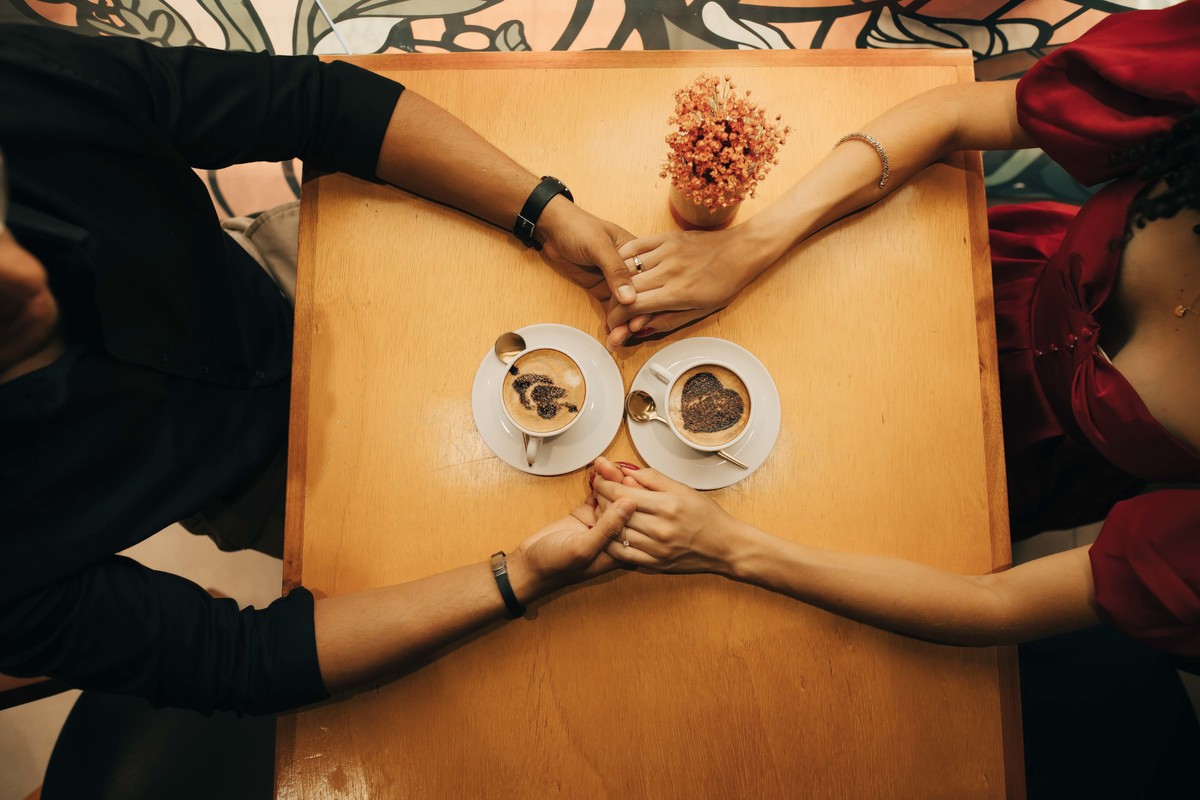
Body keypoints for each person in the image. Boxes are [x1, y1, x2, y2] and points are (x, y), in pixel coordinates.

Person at [0, 22, 638, 715]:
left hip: (291, 277)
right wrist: (519, 579)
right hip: (252, 485)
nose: (17, 272)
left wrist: (543, 212)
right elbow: (236, 661)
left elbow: (318, 103)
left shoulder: (21, 85)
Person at [596, 0, 1200, 662]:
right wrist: (751, 246)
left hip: (1027, 459)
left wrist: (730, 548)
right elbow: (954, 116)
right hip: (990, 273)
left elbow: (997, 603)